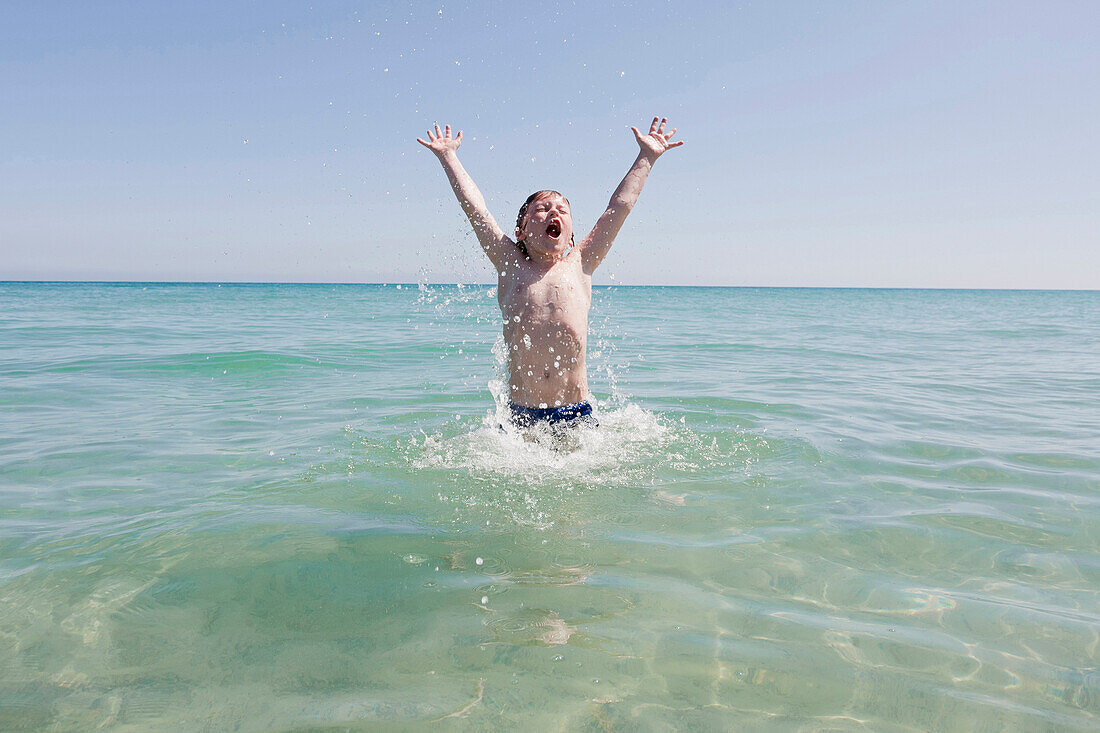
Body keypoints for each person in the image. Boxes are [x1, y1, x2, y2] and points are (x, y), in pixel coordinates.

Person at [417, 117, 683, 428]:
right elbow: (477, 209)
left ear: (571, 236)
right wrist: (448, 156)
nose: (553, 211)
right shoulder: (509, 263)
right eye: (542, 209)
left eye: (562, 210)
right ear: (521, 230)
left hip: (575, 413)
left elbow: (619, 207)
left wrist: (647, 157)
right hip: (520, 416)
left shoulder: (581, 262)